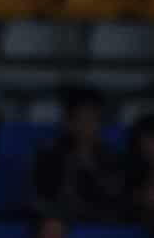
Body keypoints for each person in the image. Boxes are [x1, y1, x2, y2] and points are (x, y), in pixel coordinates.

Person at [29, 86, 123, 221]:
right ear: (68, 122)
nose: (87, 126)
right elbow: (41, 198)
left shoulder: (111, 158)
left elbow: (114, 196)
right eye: (82, 119)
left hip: (99, 224)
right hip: (59, 224)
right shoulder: (49, 155)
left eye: (93, 119)